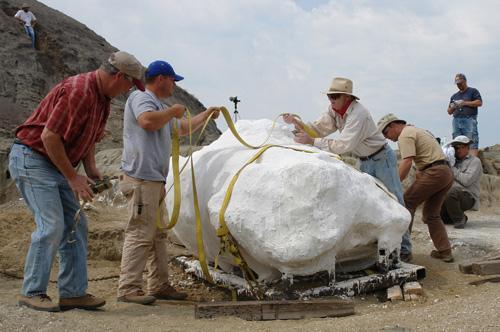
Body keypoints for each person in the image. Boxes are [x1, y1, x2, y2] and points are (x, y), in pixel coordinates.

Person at [9, 51, 145, 312]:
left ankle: (72, 293)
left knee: (76, 225)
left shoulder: (103, 100)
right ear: (119, 76)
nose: (129, 90)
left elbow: (90, 136)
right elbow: (50, 137)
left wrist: (91, 169)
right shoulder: (79, 91)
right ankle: (32, 292)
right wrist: (73, 177)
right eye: (130, 84)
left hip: (55, 164)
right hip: (33, 158)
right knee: (52, 225)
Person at [117, 60, 220, 305]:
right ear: (162, 78)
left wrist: (205, 115)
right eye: (173, 80)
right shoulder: (142, 97)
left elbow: (181, 129)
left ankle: (159, 284)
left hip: (153, 180)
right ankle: (128, 287)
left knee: (158, 235)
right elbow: (147, 122)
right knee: (141, 233)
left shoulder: (159, 106)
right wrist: (172, 111)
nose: (175, 85)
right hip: (142, 179)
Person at [282, 77, 412, 262]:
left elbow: (344, 145)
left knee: (396, 201)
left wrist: (313, 142)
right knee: (372, 202)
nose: (331, 100)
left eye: (335, 96)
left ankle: (405, 248)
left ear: (347, 97)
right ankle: (381, 244)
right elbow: (319, 128)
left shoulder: (359, 113)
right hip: (364, 159)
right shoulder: (334, 110)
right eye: (329, 96)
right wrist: (298, 123)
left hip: (382, 158)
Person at [378, 114, 454, 263]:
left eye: (385, 133)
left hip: (434, 172)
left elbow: (406, 162)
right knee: (431, 214)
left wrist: (394, 185)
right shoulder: (415, 130)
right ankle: (445, 251)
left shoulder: (405, 135)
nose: (386, 137)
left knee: (406, 202)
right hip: (445, 172)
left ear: (393, 125)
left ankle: (403, 250)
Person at [441, 136, 482, 229]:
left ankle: (459, 219)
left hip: (467, 196)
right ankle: (454, 216)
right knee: (432, 218)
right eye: (456, 147)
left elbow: (466, 181)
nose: (458, 150)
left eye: (462, 147)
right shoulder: (451, 160)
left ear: (468, 148)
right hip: (449, 195)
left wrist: (451, 167)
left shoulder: (475, 161)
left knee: (451, 192)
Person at [447, 73, 482, 156]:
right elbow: (449, 111)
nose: (459, 85)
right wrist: (454, 106)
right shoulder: (454, 96)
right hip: (456, 120)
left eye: (460, 83)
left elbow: (479, 102)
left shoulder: (473, 91)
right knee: (457, 141)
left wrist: (464, 103)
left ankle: (472, 162)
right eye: (457, 84)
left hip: (469, 119)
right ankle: (459, 162)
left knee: (471, 139)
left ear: (465, 81)